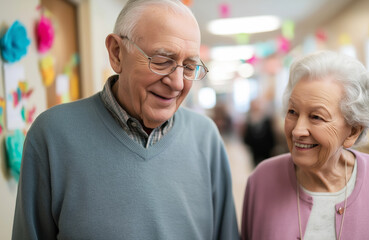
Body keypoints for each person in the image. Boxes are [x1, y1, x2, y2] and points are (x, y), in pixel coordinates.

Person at [12, 1, 239, 239]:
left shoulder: (206, 138)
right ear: (117, 53)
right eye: (162, 61)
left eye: (190, 67)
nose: (178, 83)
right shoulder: (52, 135)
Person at [241, 50, 369, 240]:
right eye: (292, 111)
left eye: (316, 117)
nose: (297, 130)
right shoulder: (262, 179)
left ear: (352, 131)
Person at [243, 98, 276, 167]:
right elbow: (246, 135)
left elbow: (271, 134)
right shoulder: (248, 119)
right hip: (254, 150)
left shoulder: (267, 118)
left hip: (266, 149)